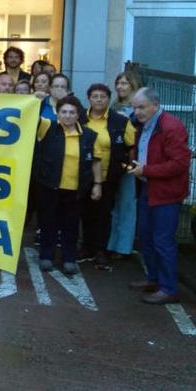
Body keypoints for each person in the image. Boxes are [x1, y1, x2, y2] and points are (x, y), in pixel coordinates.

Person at [127, 87, 190, 304]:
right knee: (146, 237)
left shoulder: (171, 127)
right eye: (135, 107)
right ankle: (154, 279)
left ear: (156, 104)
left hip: (166, 193)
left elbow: (179, 164)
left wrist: (146, 170)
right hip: (149, 188)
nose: (137, 112)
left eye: (141, 107)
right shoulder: (145, 125)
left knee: (162, 240)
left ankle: (168, 288)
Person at [33, 95, 103, 275]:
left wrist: (97, 184)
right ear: (57, 113)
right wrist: (38, 100)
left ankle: (69, 258)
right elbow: (32, 116)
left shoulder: (89, 135)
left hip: (75, 190)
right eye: (63, 111)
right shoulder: (47, 127)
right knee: (48, 223)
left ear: (78, 114)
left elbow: (96, 161)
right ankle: (46, 256)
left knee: (70, 226)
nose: (68, 115)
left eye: (72, 112)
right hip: (49, 186)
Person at [79, 83, 135, 270]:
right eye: (95, 96)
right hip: (83, 175)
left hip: (109, 176)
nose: (99, 99)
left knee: (104, 214)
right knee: (86, 212)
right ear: (89, 99)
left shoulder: (120, 121)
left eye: (103, 96)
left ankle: (101, 250)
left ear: (109, 99)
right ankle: (87, 247)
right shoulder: (80, 118)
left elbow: (131, 144)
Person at [108, 71, 143, 258]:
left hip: (130, 162)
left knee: (127, 204)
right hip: (115, 161)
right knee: (115, 205)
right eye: (118, 83)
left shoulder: (137, 109)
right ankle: (112, 243)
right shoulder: (114, 105)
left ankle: (123, 247)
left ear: (133, 86)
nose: (120, 87)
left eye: (125, 83)